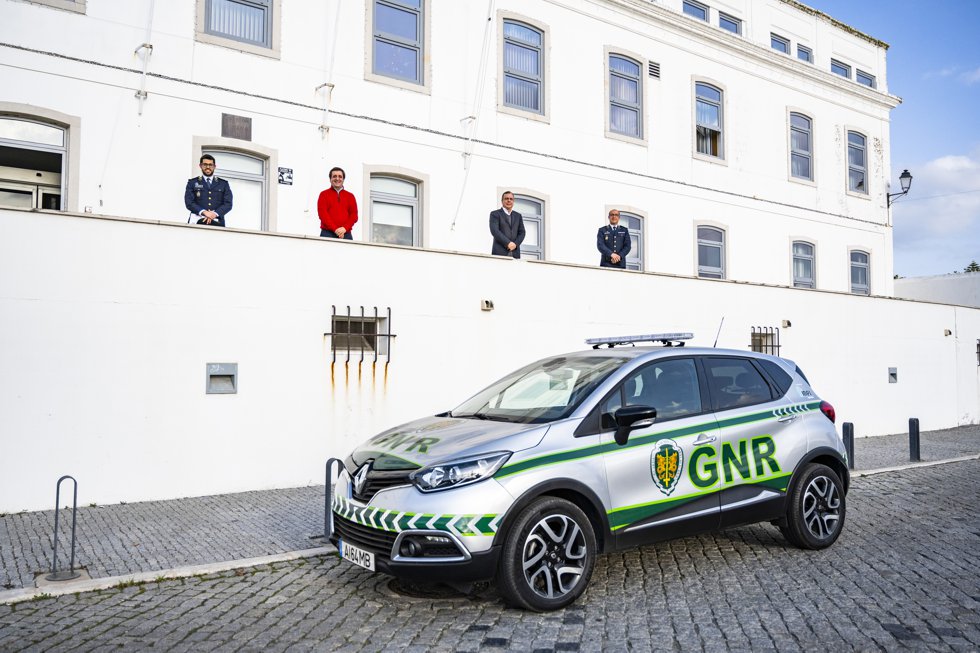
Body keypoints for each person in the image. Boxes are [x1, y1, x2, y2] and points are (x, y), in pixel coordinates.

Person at [184, 154, 232, 227]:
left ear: (214, 166)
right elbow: (189, 202)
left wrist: (214, 214)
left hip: (217, 221)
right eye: (205, 164)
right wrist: (204, 212)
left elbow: (228, 204)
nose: (208, 167)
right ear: (200, 166)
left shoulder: (223, 184)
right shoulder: (192, 182)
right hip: (196, 221)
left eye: (210, 165)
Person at [317, 166, 358, 239]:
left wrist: (344, 228)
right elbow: (323, 215)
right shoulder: (323, 194)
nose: (337, 178)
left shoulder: (350, 196)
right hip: (327, 233)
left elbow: (354, 215)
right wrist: (335, 229)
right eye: (334, 176)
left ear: (343, 179)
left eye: (340, 176)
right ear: (330, 179)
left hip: (346, 234)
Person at [489, 191, 525, 258]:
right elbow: (495, 231)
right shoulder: (495, 214)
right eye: (506, 198)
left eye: (511, 199)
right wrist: (508, 243)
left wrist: (515, 244)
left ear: (513, 201)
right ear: (502, 201)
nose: (509, 200)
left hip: (515, 254)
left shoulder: (518, 216)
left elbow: (522, 232)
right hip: (499, 253)